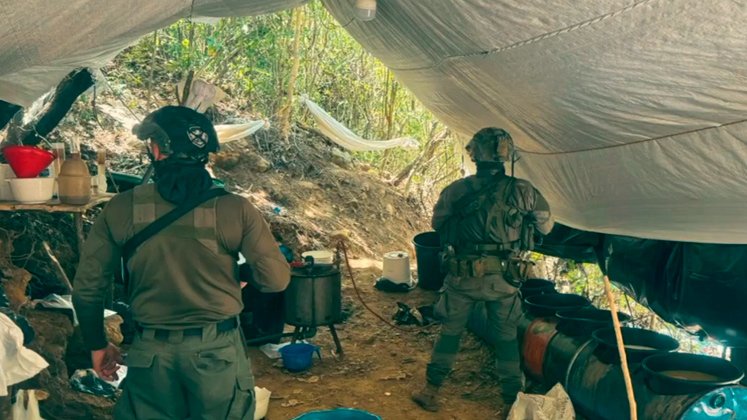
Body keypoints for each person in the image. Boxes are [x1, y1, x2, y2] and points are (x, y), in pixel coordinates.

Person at [72, 106, 290, 419]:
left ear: (157, 150)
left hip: (151, 355)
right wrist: (240, 273)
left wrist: (97, 345)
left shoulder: (121, 209)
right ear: (206, 155)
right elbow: (276, 279)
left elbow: (87, 289)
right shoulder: (235, 209)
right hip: (218, 354)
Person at [412, 127, 553, 413]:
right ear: (506, 156)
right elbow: (545, 226)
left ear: (475, 154)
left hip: (463, 277)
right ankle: (511, 401)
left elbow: (438, 225)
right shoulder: (524, 190)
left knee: (450, 333)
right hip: (504, 280)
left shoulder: (456, 191)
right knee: (505, 340)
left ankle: (431, 391)